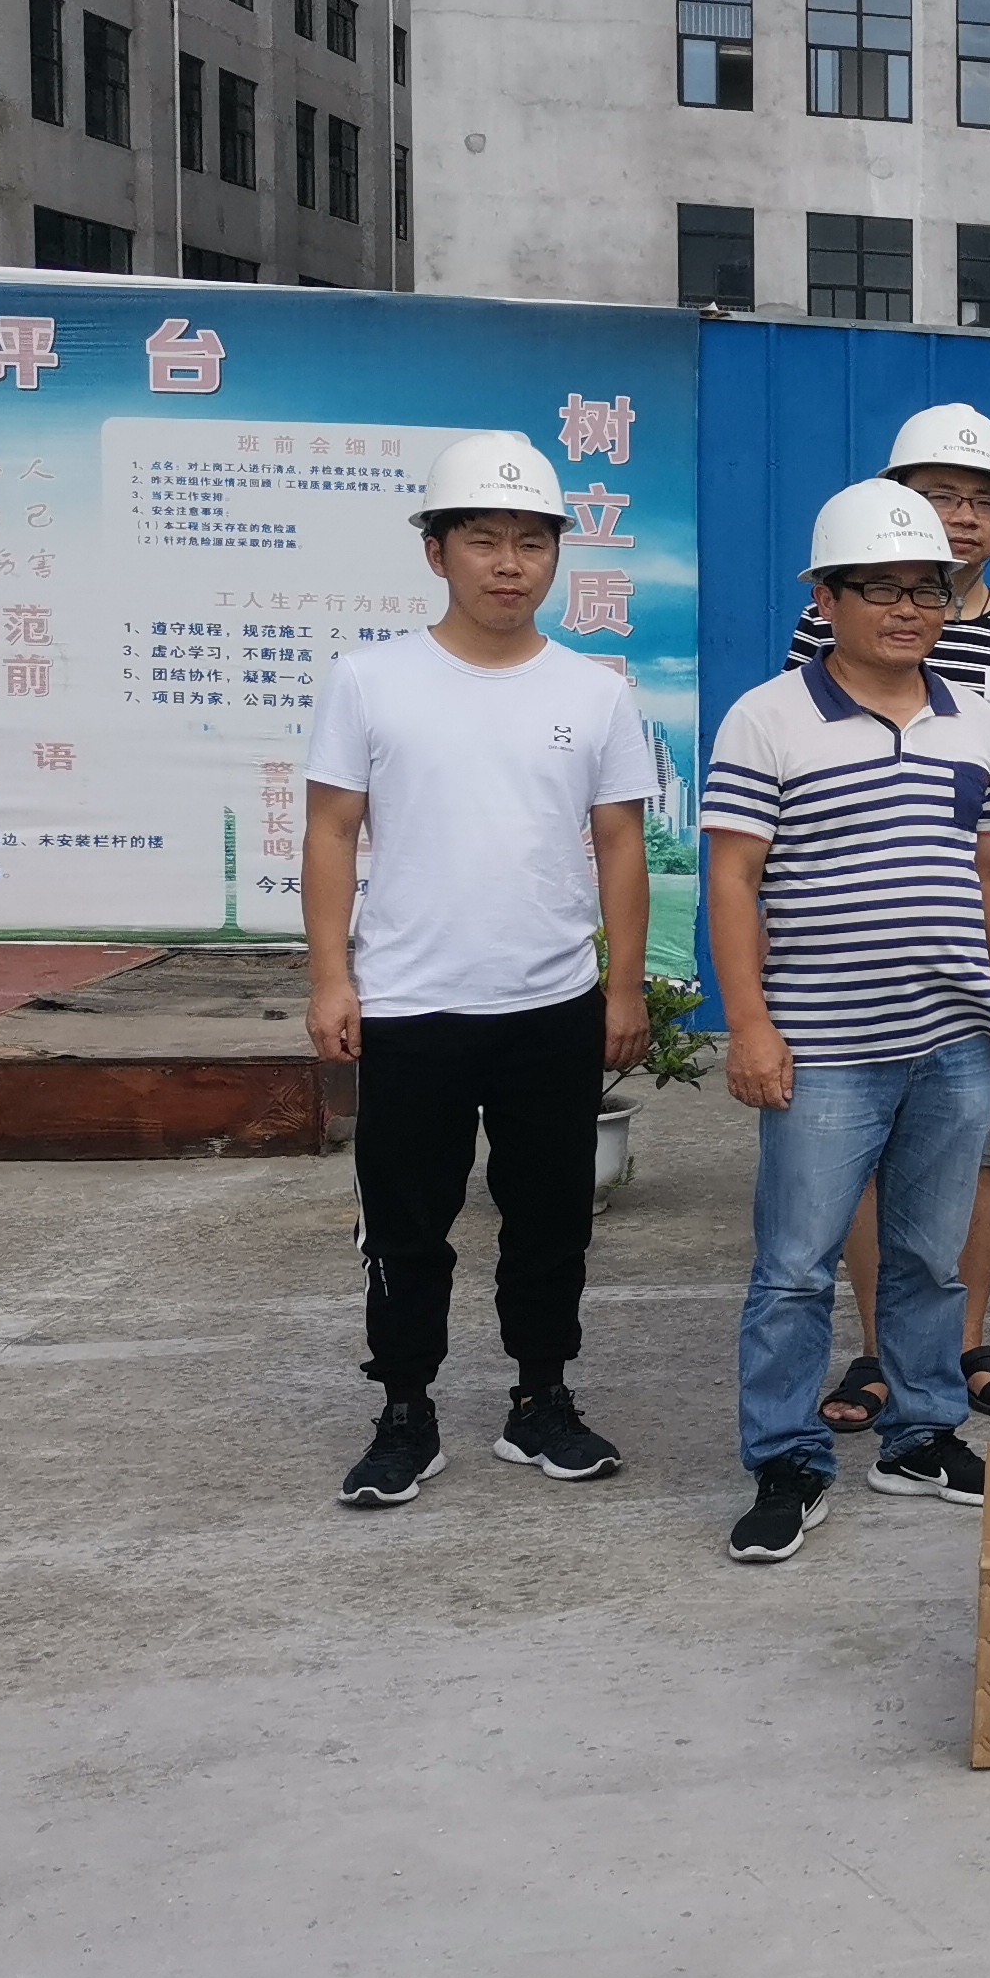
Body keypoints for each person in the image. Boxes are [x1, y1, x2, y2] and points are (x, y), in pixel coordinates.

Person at [306, 435, 659, 1509]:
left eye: (532, 543)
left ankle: (540, 1399)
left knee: (550, 1219)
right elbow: (331, 832)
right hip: (411, 1004)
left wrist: (625, 986)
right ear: (437, 552)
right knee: (405, 1224)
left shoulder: (594, 691)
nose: (510, 564)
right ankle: (404, 1410)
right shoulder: (370, 680)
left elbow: (621, 844)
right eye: (484, 540)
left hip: (550, 1004)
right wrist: (331, 979)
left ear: (556, 557)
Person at [702, 481, 990, 1562]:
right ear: (827, 600)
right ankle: (787, 1459)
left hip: (953, 1043)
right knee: (795, 1268)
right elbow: (733, 880)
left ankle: (921, 1435)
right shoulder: (768, 717)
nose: (907, 609)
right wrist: (750, 1026)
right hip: (826, 1048)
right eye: (880, 589)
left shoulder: (973, 720)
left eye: (926, 590)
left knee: (929, 1260)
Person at [784, 405, 990, 1433]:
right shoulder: (828, 624)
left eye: (981, 501)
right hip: (859, 943)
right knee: (868, 1157)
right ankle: (882, 1351)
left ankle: (961, 1345)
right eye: (939, 496)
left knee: (987, 1148)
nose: (961, 517)